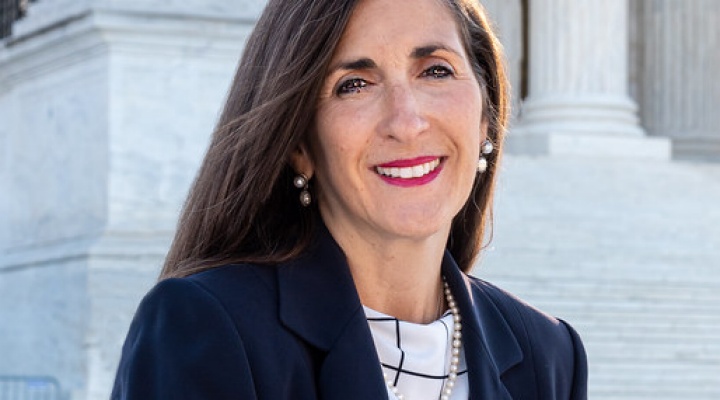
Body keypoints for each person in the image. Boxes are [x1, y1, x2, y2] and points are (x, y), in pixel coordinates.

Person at [111, 0, 588, 398]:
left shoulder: (549, 354)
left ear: (487, 117)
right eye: (353, 85)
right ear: (299, 146)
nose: (406, 121)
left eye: (436, 71)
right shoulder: (208, 328)